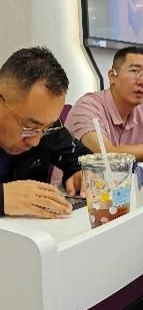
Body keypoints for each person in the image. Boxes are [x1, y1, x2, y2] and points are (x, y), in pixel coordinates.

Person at [0, 47, 93, 219]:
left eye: (47, 127)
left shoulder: (47, 128)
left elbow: (80, 156)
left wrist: (79, 172)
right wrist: (3, 197)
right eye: (29, 126)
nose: (35, 141)